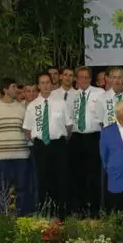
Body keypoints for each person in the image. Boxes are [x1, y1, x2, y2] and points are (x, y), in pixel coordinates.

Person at [23, 72, 73, 217]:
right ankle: (45, 213)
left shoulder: (61, 103)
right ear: (38, 86)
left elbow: (69, 127)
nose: (45, 85)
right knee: (43, 179)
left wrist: (60, 141)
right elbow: (27, 129)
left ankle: (62, 214)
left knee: (61, 179)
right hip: (40, 146)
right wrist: (39, 141)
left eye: (47, 82)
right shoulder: (32, 106)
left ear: (51, 84)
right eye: (42, 83)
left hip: (58, 145)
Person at [0, 78, 32, 215]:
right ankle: (4, 217)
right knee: (2, 188)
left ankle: (21, 216)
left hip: (21, 155)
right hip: (1, 157)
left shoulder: (22, 108)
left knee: (22, 187)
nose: (16, 90)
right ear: (5, 90)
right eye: (13, 87)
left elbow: (27, 129)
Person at [70, 66, 105, 217]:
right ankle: (81, 208)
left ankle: (95, 209)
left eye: (86, 77)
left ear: (91, 79)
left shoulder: (100, 93)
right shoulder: (71, 96)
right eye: (81, 77)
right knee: (78, 175)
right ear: (76, 79)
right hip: (76, 137)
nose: (83, 79)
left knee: (94, 174)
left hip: (94, 136)